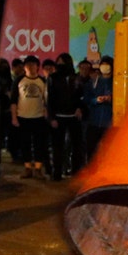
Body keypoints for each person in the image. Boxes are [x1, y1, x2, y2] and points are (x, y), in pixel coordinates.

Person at [47, 52, 85, 180]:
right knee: (58, 146)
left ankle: (76, 172)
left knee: (76, 146)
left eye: (62, 63)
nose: (60, 65)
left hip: (74, 116)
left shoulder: (75, 77)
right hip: (59, 116)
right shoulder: (53, 78)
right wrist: (51, 117)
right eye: (58, 63)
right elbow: (50, 99)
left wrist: (79, 108)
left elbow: (80, 96)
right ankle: (57, 172)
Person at [11, 55, 49, 178]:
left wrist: (46, 113)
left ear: (38, 67)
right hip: (23, 116)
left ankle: (38, 169)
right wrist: (14, 117)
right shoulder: (19, 81)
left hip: (38, 117)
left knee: (39, 143)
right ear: (24, 67)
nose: (31, 67)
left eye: (33, 65)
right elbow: (13, 101)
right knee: (24, 143)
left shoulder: (42, 81)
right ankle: (27, 168)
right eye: (28, 65)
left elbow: (47, 99)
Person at [83, 56, 113, 160]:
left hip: (109, 123)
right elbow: (86, 99)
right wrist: (96, 100)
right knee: (91, 149)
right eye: (103, 64)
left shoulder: (116, 82)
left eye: (107, 65)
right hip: (93, 122)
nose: (105, 67)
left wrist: (111, 100)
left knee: (108, 150)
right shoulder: (93, 82)